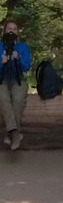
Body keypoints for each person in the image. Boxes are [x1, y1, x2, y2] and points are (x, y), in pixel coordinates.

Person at [0, 19, 27, 152]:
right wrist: (2, 62)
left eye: (14, 28)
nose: (11, 30)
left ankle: (11, 133)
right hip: (2, 79)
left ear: (18, 32)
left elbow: (26, 66)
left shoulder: (22, 47)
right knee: (3, 98)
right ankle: (15, 133)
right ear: (4, 31)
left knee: (18, 98)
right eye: (9, 28)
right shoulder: (0, 47)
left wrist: (18, 58)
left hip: (18, 79)